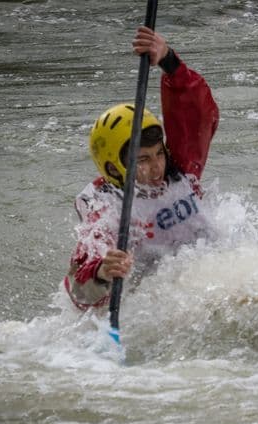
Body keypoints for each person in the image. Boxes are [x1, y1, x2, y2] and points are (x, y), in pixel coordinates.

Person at [64, 26, 219, 310]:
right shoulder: (106, 206)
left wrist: (169, 60)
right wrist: (102, 270)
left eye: (158, 154)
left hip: (209, 278)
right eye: (142, 160)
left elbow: (198, 117)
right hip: (157, 302)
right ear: (113, 167)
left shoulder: (180, 171)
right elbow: (78, 291)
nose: (157, 167)